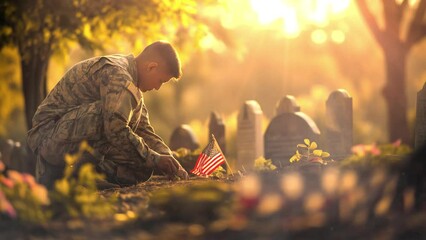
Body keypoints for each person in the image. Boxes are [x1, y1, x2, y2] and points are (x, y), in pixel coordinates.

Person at [27, 41, 189, 188]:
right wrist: (155, 159)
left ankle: (91, 175)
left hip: (68, 136)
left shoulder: (133, 87)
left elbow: (143, 129)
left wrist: (167, 158)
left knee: (143, 167)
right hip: (48, 140)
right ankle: (76, 176)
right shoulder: (119, 76)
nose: (158, 87)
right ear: (151, 67)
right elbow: (115, 129)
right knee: (109, 117)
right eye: (160, 81)